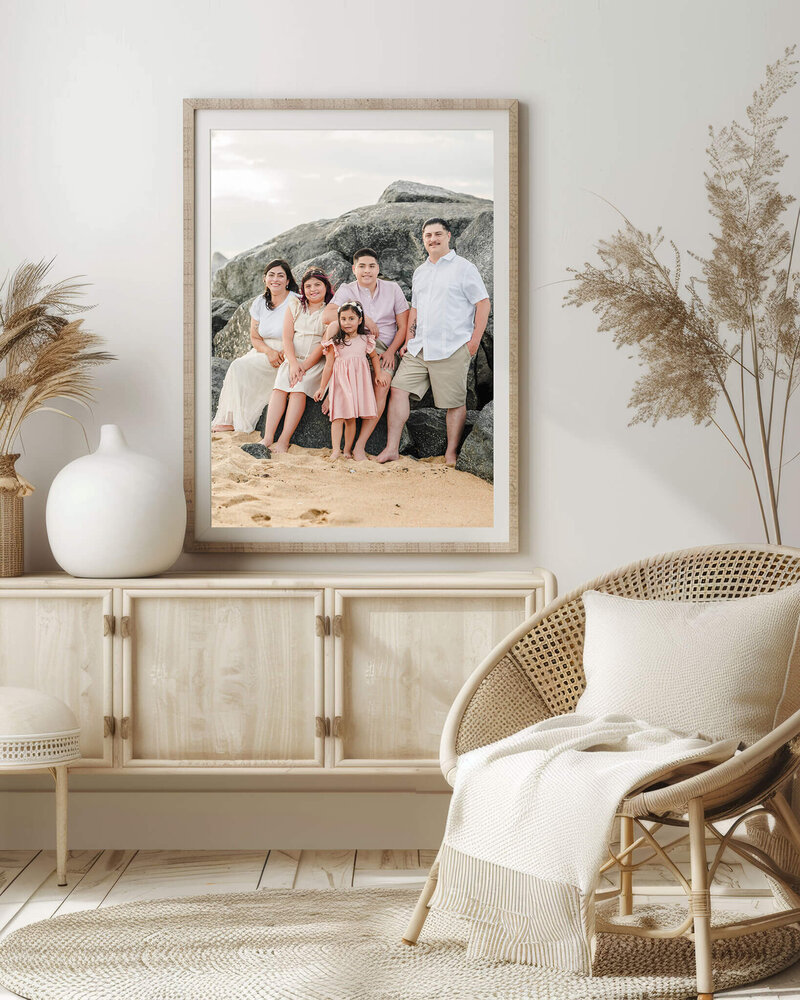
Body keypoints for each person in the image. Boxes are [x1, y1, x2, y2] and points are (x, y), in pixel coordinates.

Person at [376, 219, 491, 467]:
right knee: (398, 389)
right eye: (428, 235)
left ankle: (450, 454)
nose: (433, 239)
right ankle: (392, 448)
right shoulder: (421, 271)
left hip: (451, 347)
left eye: (438, 234)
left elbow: (483, 303)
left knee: (454, 403)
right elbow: (415, 308)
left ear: (448, 236)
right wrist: (409, 339)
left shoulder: (464, 268)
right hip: (420, 347)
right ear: (423, 239)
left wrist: (474, 342)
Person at [321, 248, 408, 460]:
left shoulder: (393, 288)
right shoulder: (347, 289)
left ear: (378, 268)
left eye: (371, 266)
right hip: (354, 344)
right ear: (354, 269)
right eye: (362, 266)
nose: (366, 271)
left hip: (384, 348)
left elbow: (403, 326)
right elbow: (327, 315)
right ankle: (331, 392)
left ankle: (360, 446)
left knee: (382, 385)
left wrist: (391, 351)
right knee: (333, 327)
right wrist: (365, 317)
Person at [211, 260, 299, 432]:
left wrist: (285, 352)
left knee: (246, 369)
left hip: (289, 351)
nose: (276, 279)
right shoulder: (259, 302)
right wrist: (269, 352)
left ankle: (241, 420)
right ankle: (231, 419)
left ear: (288, 280)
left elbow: (304, 331)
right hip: (265, 350)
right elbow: (255, 337)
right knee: (238, 366)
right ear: (264, 279)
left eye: (281, 275)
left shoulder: (296, 301)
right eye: (271, 275)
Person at [261, 267, 333, 453]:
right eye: (308, 286)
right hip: (292, 359)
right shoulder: (295, 305)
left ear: (326, 286)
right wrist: (293, 363)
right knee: (279, 389)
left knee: (297, 390)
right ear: (302, 288)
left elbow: (323, 344)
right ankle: (268, 437)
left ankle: (284, 440)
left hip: (314, 364)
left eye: (317, 284)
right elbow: (287, 337)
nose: (312, 289)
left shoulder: (330, 311)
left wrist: (303, 367)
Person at [314, 301, 390, 460]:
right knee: (337, 417)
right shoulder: (336, 342)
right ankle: (336, 450)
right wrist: (322, 388)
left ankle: (347, 450)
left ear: (360, 320)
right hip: (340, 384)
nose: (347, 323)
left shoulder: (365, 339)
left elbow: (374, 357)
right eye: (343, 319)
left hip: (358, 383)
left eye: (351, 319)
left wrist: (378, 374)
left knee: (351, 419)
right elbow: (329, 366)